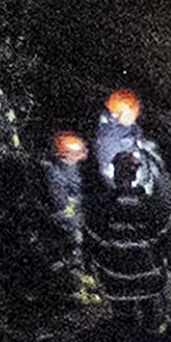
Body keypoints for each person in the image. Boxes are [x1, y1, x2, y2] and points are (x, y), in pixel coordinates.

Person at [85, 150, 171, 331]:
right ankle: (149, 341)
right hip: (147, 275)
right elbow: (167, 225)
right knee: (149, 314)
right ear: (136, 173)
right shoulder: (149, 205)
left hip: (115, 276)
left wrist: (97, 260)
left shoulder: (104, 206)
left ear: (115, 173)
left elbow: (93, 235)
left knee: (123, 318)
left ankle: (126, 341)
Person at [45, 130, 100, 303]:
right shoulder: (55, 176)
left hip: (75, 219)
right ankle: (74, 291)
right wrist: (74, 224)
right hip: (65, 224)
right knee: (72, 253)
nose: (82, 156)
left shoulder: (72, 171)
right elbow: (60, 206)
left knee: (82, 249)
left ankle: (81, 276)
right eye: (77, 154)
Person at [94, 88, 160, 185]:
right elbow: (110, 172)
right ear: (116, 114)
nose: (136, 113)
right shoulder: (111, 141)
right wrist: (138, 183)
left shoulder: (125, 124)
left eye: (136, 109)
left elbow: (135, 136)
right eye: (132, 111)